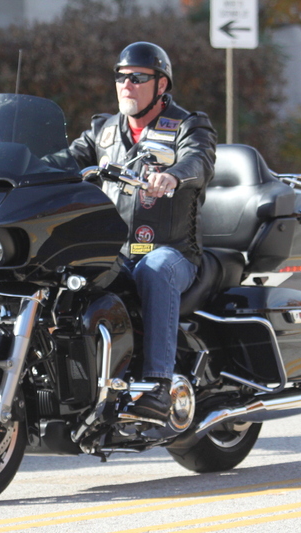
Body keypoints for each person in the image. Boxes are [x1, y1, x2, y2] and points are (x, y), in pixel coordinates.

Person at [68, 42, 217, 419]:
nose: (126, 84)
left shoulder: (187, 124)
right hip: (114, 249)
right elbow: (63, 161)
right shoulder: (102, 131)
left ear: (161, 85)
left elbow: (199, 160)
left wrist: (173, 176)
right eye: (120, 76)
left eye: (137, 77)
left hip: (174, 252)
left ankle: (157, 386)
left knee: (156, 268)